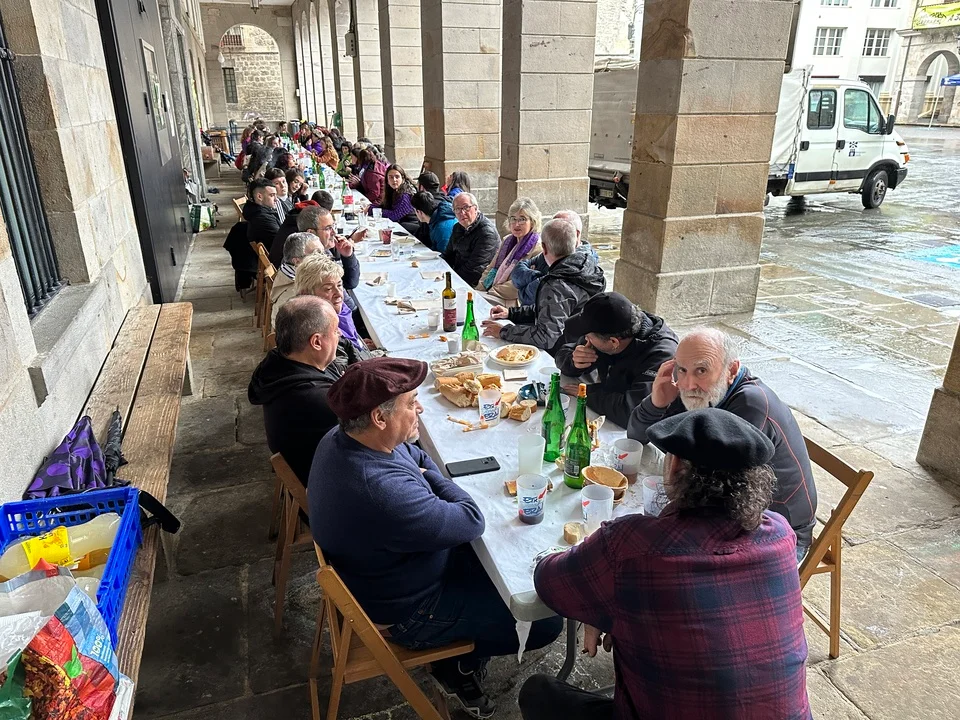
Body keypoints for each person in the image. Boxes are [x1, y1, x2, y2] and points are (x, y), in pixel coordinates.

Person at [310, 358, 563, 718]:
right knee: (544, 621)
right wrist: (433, 478)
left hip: (391, 570)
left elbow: (415, 453)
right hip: (410, 611)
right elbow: (471, 519)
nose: (420, 409)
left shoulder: (345, 437)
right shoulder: (380, 490)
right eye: (411, 403)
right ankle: (457, 667)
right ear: (379, 418)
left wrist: (425, 473)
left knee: (508, 559)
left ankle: (463, 655)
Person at [520, 409, 811, 720]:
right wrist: (612, 604)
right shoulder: (780, 535)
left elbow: (548, 581)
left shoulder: (632, 544)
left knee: (538, 693)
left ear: (674, 466)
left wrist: (601, 602)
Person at [627, 328, 818, 561]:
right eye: (682, 370)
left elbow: (711, 498)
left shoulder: (750, 406)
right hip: (734, 513)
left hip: (780, 533)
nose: (688, 384)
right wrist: (656, 402)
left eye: (701, 370)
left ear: (732, 370)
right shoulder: (700, 391)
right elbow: (635, 438)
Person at [248, 296, 352, 484]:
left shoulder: (279, 360)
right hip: (324, 483)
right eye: (335, 330)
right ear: (316, 342)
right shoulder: (318, 398)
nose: (340, 335)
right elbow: (369, 436)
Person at [554, 292, 678, 428]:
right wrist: (574, 361)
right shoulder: (611, 328)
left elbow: (632, 412)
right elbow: (563, 354)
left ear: (614, 342)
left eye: (588, 337)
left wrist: (588, 393)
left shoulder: (661, 355)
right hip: (609, 408)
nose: (586, 340)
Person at [482, 219, 604, 355]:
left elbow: (545, 337)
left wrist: (504, 331)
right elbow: (551, 309)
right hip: (584, 345)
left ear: (544, 248)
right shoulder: (586, 266)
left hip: (566, 353)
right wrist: (512, 313)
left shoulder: (557, 284)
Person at [512, 209, 597, 307]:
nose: (552, 236)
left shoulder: (579, 264)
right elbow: (517, 272)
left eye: (560, 229)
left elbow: (528, 296)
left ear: (576, 234)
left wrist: (537, 280)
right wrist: (537, 276)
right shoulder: (550, 250)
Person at [295, 253, 374, 356]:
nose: (339, 294)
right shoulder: (317, 332)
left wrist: (360, 345)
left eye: (339, 285)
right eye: (328, 289)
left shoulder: (343, 311)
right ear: (307, 294)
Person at [476, 197, 542, 304]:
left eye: (522, 219)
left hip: (512, 301)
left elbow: (519, 284)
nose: (516, 224)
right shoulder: (507, 241)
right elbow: (491, 268)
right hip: (491, 292)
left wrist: (492, 291)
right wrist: (480, 288)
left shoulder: (537, 249)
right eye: (513, 219)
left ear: (533, 222)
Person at [441, 192, 500, 288]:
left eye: (466, 207)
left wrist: (450, 279)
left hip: (476, 284)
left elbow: (475, 269)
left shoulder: (487, 233)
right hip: (458, 276)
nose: (462, 213)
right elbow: (448, 255)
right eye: (457, 209)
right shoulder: (458, 227)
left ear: (476, 208)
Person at [271, 231, 323, 320]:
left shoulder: (287, 272)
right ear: (297, 261)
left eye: (323, 252)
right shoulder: (294, 296)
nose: (324, 258)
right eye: (316, 254)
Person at [369, 164, 419, 234]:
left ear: (403, 178)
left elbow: (395, 215)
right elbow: (386, 206)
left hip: (411, 226)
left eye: (397, 177)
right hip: (400, 224)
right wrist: (371, 207)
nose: (394, 180)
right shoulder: (393, 190)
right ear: (387, 180)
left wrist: (374, 210)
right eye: (391, 177)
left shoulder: (406, 194)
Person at [243, 179, 280, 250]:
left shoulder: (255, 211)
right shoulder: (263, 218)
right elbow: (283, 241)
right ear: (260, 196)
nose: (276, 199)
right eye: (272, 195)